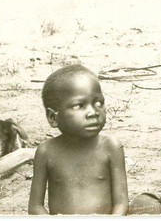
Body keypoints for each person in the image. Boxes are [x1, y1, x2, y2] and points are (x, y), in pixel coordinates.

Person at [28, 65, 128, 215]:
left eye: (98, 102)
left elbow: (121, 204)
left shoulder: (111, 147)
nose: (93, 113)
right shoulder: (46, 152)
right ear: (53, 117)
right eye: (79, 106)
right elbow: (35, 207)